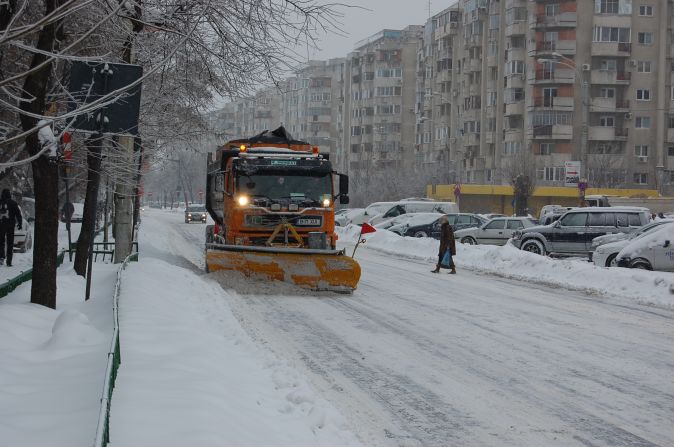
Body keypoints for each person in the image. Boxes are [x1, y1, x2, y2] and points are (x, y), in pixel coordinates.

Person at [0, 189, 22, 267]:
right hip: (10, 225)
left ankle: (1, 257)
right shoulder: (13, 203)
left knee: (1, 242)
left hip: (1, 224)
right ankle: (9, 261)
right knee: (10, 243)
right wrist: (20, 223)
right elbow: (18, 214)